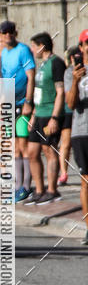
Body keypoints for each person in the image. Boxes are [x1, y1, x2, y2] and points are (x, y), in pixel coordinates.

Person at [23, 32, 65, 206]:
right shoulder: (42, 65)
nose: (32, 50)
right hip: (39, 113)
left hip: (49, 114)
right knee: (32, 152)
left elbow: (60, 92)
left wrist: (55, 117)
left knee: (49, 151)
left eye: (34, 46)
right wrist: (33, 116)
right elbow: (38, 93)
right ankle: (39, 190)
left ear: (42, 46)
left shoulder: (56, 63)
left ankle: (52, 191)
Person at [0, 21, 35, 202]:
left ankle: (26, 186)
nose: (8, 35)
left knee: (23, 146)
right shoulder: (4, 53)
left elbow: (31, 76)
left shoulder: (23, 50)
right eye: (4, 32)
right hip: (9, 104)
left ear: (15, 33)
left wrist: (28, 101)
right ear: (1, 35)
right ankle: (17, 185)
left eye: (10, 32)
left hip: (22, 103)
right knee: (13, 148)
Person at [64, 30, 88, 244]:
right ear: (81, 47)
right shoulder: (71, 72)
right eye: (86, 43)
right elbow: (71, 104)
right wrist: (75, 81)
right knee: (86, 180)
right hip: (81, 131)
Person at [58, 47, 75, 186]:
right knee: (66, 143)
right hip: (68, 111)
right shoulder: (67, 72)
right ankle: (63, 173)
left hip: (82, 111)